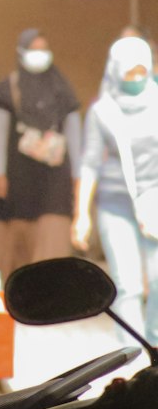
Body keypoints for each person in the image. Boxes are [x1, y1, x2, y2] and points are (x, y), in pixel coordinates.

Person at [74, 34, 158, 344]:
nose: (136, 78)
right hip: (114, 204)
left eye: (141, 71)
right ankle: (134, 352)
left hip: (154, 201)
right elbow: (90, 162)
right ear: (115, 71)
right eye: (129, 72)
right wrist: (81, 214)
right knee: (128, 284)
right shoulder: (103, 111)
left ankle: (155, 343)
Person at [0, 27, 81, 282]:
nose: (39, 55)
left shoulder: (62, 89)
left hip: (54, 179)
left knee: (52, 234)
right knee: (17, 239)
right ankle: (20, 289)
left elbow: (74, 134)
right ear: (21, 52)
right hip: (18, 178)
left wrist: (77, 175)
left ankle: (50, 291)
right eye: (33, 49)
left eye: (43, 49)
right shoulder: (8, 88)